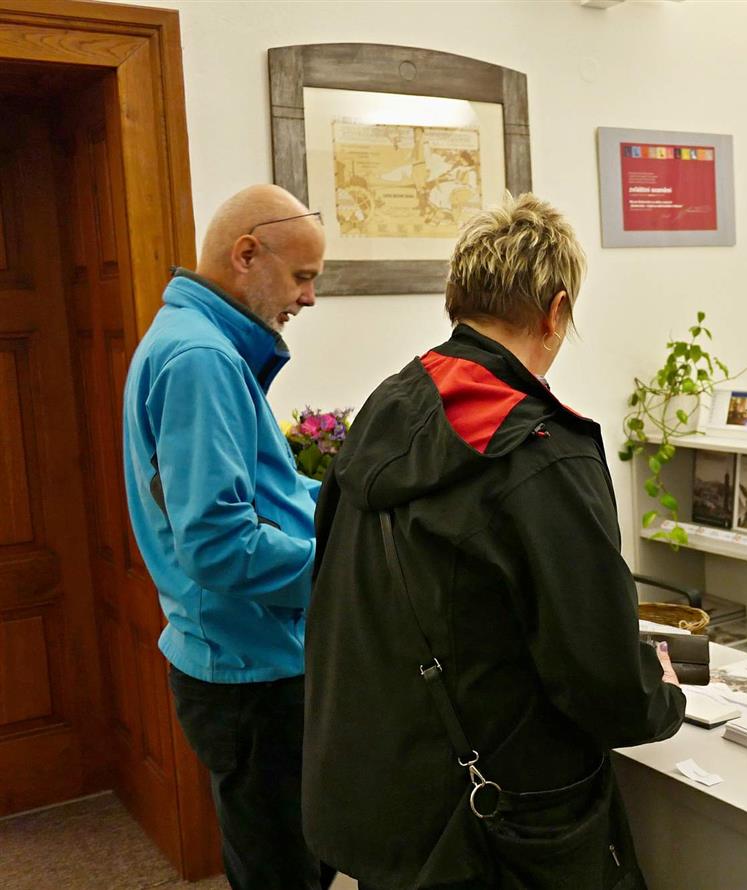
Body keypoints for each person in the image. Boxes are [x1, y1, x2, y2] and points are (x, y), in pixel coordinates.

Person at [303, 193, 686, 890]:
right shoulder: (542, 451)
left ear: (458, 300)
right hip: (497, 822)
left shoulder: (385, 410)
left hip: (383, 794)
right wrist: (662, 693)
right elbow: (599, 675)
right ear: (555, 311)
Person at [122, 184, 330, 890]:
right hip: (251, 673)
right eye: (301, 276)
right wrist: (342, 568)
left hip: (249, 658)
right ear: (246, 255)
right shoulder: (200, 359)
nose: (308, 298)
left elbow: (268, 491)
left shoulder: (200, 342)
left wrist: (348, 508)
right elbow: (218, 545)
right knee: (282, 872)